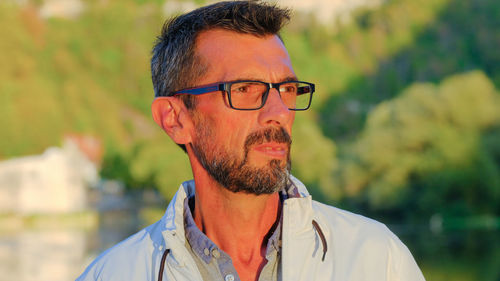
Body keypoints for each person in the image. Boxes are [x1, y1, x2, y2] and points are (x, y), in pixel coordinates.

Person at [77, 1, 426, 281]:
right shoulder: (112, 274)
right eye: (244, 89)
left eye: (287, 89)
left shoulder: (378, 260)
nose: (278, 111)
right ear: (176, 119)